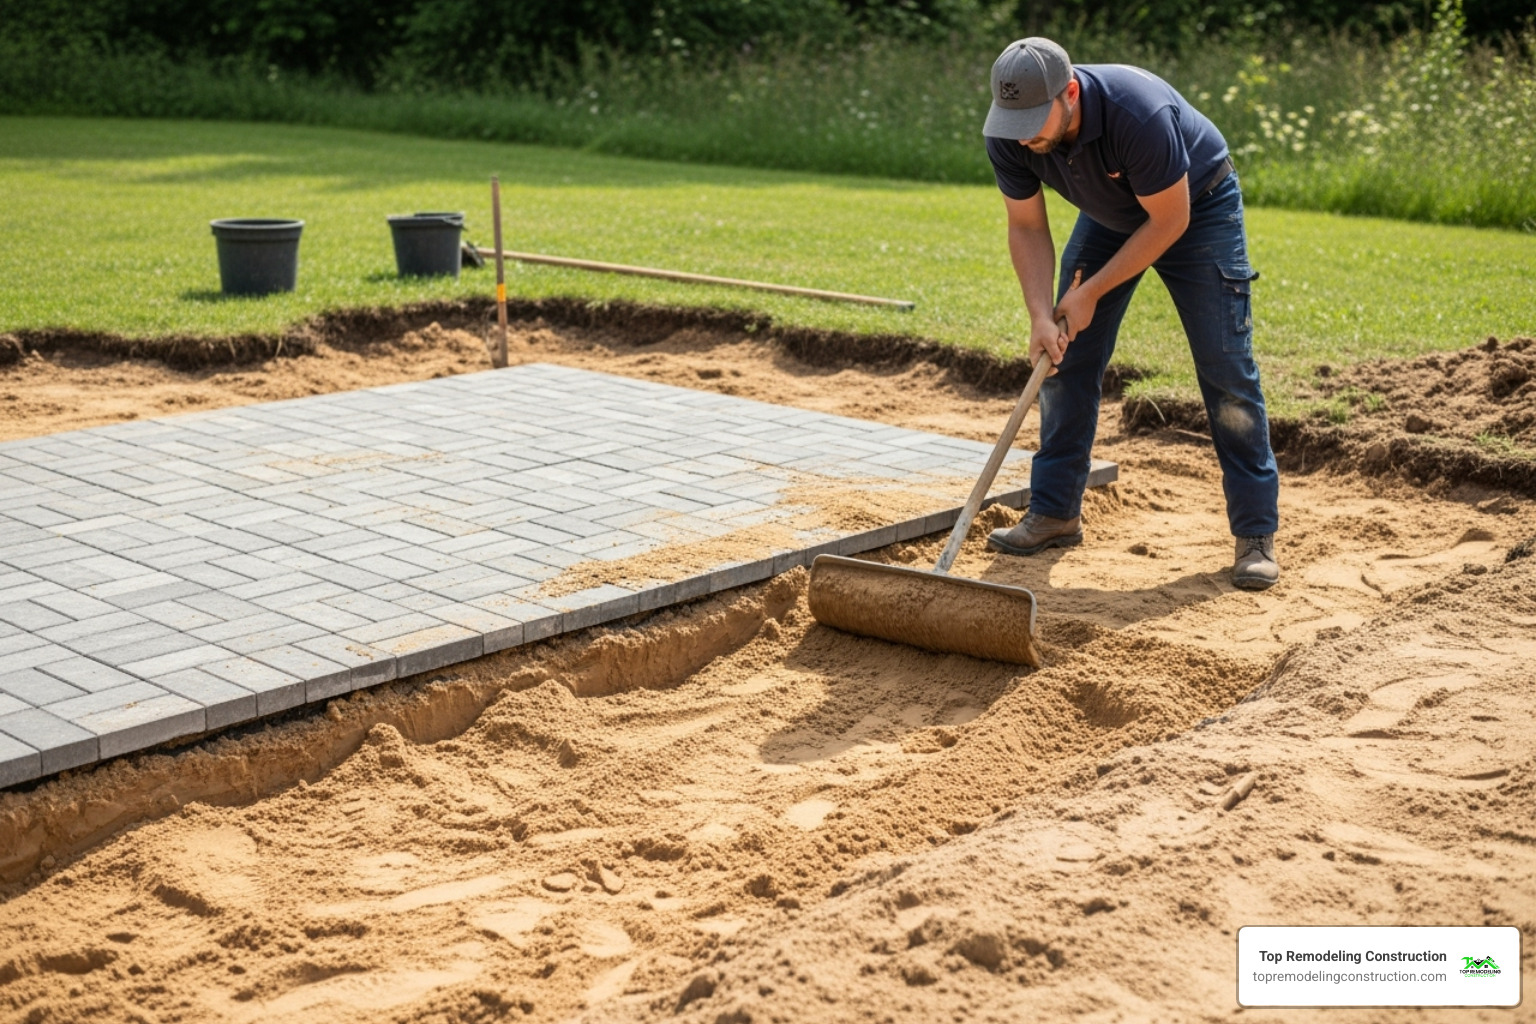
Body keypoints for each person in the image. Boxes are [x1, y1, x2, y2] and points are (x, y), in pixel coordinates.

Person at [981, 37, 1281, 590]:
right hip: (1109, 215)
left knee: (1226, 369)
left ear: (1069, 93)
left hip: (1195, 207)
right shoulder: (1011, 134)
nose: (1022, 132)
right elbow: (1025, 226)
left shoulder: (1137, 112)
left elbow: (1169, 221)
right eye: (1011, 117)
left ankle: (1256, 531)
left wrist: (1090, 290)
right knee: (1062, 360)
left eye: (1032, 118)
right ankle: (1055, 511)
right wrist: (1040, 315)